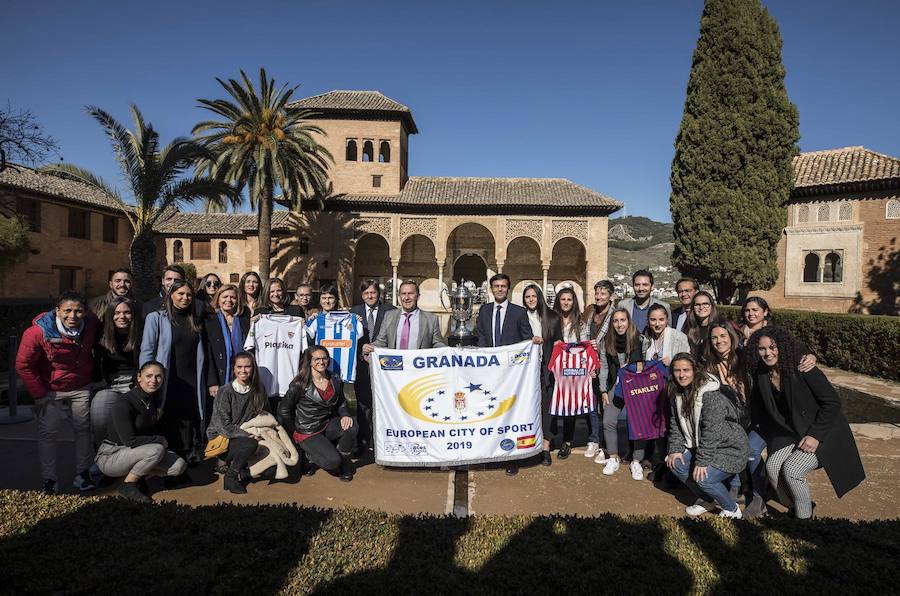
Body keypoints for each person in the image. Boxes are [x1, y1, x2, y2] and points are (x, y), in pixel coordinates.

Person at [747, 327, 865, 519]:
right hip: (795, 434)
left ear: (782, 346)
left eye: (772, 347)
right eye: (762, 349)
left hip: (823, 433)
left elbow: (832, 402)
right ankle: (798, 507)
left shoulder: (802, 367)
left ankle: (804, 522)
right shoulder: (762, 374)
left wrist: (815, 435)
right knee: (772, 467)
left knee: (792, 470)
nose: (768, 353)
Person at [16, 291, 100, 494]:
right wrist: (39, 394)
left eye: (78, 311)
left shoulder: (91, 325)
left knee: (83, 430)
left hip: (81, 387)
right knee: (48, 432)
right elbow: (23, 364)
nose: (73, 316)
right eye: (67, 310)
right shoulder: (36, 333)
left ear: (85, 312)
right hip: (50, 390)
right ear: (57, 311)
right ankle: (50, 479)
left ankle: (83, 474)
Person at [665, 353, 749, 519]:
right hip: (702, 446)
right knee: (675, 463)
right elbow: (675, 424)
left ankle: (731, 509)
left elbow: (712, 431)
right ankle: (707, 499)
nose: (681, 375)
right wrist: (675, 449)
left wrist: (702, 462)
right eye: (677, 370)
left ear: (695, 371)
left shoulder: (710, 394)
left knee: (704, 478)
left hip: (729, 448)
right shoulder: (677, 393)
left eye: (686, 370)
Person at [94, 361, 187, 503]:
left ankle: (139, 475)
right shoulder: (123, 402)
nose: (153, 381)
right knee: (156, 449)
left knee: (178, 465)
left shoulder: (151, 400)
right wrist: (159, 439)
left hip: (135, 452)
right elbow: (129, 441)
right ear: (139, 377)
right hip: (110, 456)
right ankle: (127, 486)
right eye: (148, 376)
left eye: (158, 377)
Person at [140, 279, 209, 465]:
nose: (185, 298)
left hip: (192, 378)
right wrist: (147, 379)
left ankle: (185, 458)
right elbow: (147, 350)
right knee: (169, 420)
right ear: (171, 295)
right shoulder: (156, 318)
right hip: (169, 377)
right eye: (180, 294)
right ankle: (168, 463)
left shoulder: (194, 319)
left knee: (188, 419)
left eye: (188, 295)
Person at [704, 322, 767, 518]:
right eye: (714, 337)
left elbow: (774, 352)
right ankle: (736, 485)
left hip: (757, 417)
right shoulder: (709, 365)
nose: (719, 341)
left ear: (731, 337)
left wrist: (809, 356)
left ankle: (759, 496)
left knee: (752, 450)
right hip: (734, 422)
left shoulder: (745, 359)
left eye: (723, 336)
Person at [475, 273, 536, 476]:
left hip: (511, 376)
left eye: (503, 286)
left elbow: (526, 339)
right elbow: (481, 336)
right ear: (491, 289)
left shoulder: (519, 312)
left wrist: (532, 345)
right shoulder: (484, 310)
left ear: (508, 289)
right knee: (490, 413)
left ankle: (512, 457)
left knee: (511, 415)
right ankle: (490, 454)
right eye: (496, 286)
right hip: (489, 372)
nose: (500, 289)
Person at [278, 346, 357, 481]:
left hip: (327, 423)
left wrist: (345, 415)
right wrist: (295, 431)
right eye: (317, 359)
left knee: (352, 426)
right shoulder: (299, 383)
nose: (321, 362)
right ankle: (307, 454)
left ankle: (344, 462)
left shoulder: (335, 378)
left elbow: (342, 403)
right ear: (309, 361)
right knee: (332, 462)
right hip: (308, 430)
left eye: (324, 358)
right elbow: (284, 410)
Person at [206, 352, 269, 494]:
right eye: (239, 366)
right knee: (250, 444)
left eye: (247, 367)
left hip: (249, 434)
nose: (243, 370)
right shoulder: (225, 391)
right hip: (224, 438)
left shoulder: (259, 389)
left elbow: (266, 414)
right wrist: (249, 435)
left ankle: (244, 467)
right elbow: (222, 426)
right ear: (233, 369)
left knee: (270, 465)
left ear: (253, 368)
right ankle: (231, 476)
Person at [598, 308, 646, 479]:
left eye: (623, 320)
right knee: (608, 421)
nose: (619, 324)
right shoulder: (606, 342)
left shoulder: (639, 339)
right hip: (615, 386)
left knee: (638, 423)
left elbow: (643, 365)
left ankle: (636, 461)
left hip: (636, 387)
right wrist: (603, 390)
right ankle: (613, 457)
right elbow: (603, 367)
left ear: (628, 321)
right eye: (616, 321)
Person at [91, 296, 142, 449]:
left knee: (133, 422)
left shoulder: (141, 332)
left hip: (135, 383)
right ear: (110, 314)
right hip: (110, 384)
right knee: (99, 418)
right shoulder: (101, 333)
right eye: (117, 312)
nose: (122, 316)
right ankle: (102, 453)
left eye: (127, 312)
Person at [550, 286, 594, 458]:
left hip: (572, 370)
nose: (566, 302)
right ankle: (550, 437)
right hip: (555, 368)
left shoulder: (580, 324)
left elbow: (584, 347)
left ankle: (567, 441)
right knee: (552, 403)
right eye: (563, 299)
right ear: (558, 301)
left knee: (570, 404)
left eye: (569, 299)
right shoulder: (553, 321)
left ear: (573, 302)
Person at [352, 279, 396, 452]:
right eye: (366, 293)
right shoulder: (354, 312)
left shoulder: (391, 311)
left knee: (383, 402)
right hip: (362, 365)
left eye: (373, 292)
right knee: (363, 403)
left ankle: (380, 440)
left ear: (379, 294)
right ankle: (363, 439)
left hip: (384, 365)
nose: (370, 296)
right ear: (362, 295)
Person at [522, 284, 563, 466]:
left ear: (539, 297)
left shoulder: (552, 318)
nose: (531, 299)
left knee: (547, 408)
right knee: (530, 407)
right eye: (527, 297)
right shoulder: (521, 317)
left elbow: (559, 342)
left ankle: (545, 448)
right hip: (527, 371)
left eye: (533, 296)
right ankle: (530, 446)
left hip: (547, 369)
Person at [582, 280, 615, 461]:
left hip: (608, 365)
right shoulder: (590, 311)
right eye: (597, 293)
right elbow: (582, 331)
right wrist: (587, 346)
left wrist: (600, 344)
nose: (599, 297)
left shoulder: (615, 314)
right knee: (592, 405)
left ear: (611, 296)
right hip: (590, 364)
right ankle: (594, 439)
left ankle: (606, 445)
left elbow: (618, 335)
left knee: (606, 406)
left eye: (603, 293)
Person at [306, 284, 364, 384]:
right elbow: (306, 341)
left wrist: (356, 320)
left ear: (336, 299)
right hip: (321, 371)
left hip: (343, 373)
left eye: (330, 298)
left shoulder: (352, 319)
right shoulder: (316, 319)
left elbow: (359, 337)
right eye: (324, 298)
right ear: (319, 300)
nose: (327, 301)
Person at [365, 281, 446, 351]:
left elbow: (437, 344)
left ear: (418, 296)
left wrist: (451, 352)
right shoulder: (389, 316)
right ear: (399, 296)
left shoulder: (431, 319)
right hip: (395, 365)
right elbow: (381, 342)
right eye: (403, 294)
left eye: (410, 293)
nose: (406, 298)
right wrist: (370, 347)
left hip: (418, 366)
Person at [205, 284, 251, 404]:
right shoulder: (210, 321)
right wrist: (212, 381)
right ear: (218, 299)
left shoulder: (244, 320)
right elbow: (208, 353)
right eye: (225, 296)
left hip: (242, 373)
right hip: (220, 375)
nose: (229, 300)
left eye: (233, 297)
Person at [683, 291, 735, 360]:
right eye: (697, 304)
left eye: (705, 304)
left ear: (711, 306)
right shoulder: (689, 327)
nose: (701, 307)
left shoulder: (721, 326)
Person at [616, 269, 671, 334]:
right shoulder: (623, 305)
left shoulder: (664, 307)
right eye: (637, 285)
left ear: (652, 286)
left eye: (645, 285)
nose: (640, 289)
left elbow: (668, 332)